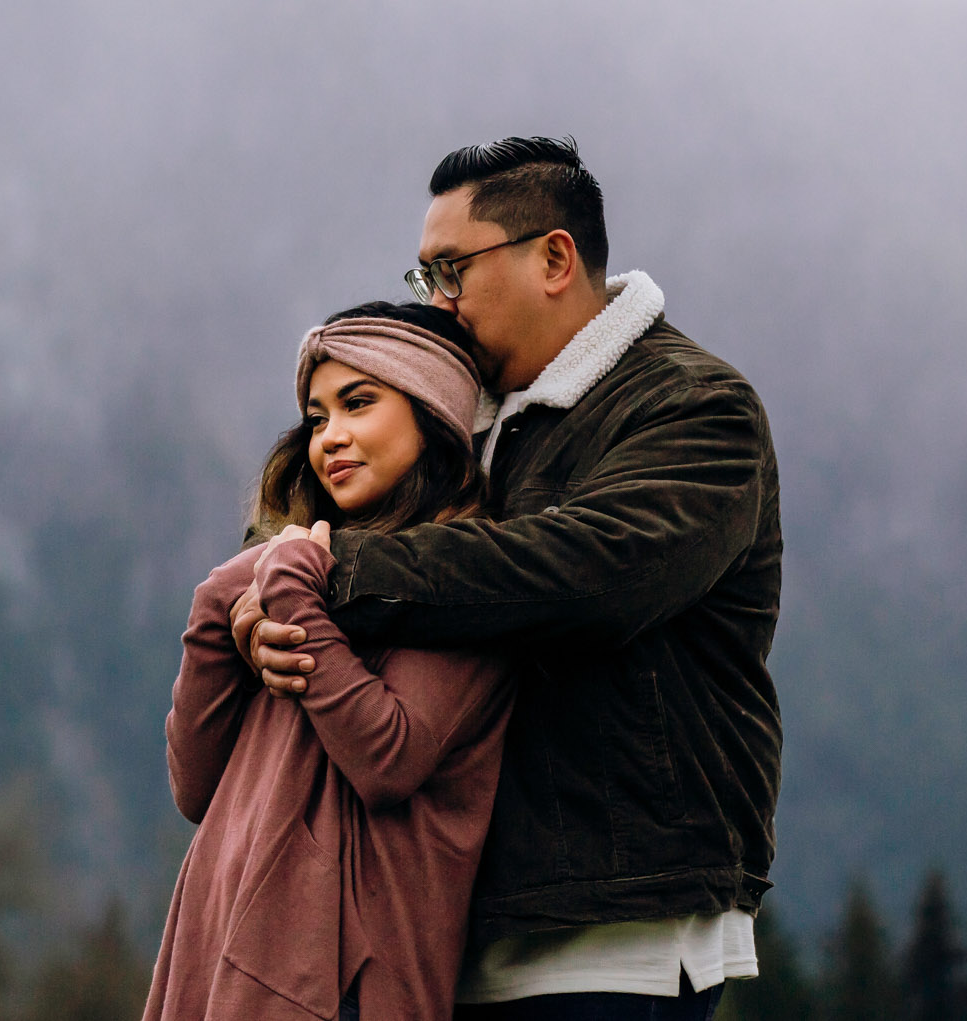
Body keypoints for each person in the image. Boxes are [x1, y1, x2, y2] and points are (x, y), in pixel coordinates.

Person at [239, 138, 783, 1020]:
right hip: (441, 927)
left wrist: (329, 568)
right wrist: (263, 619)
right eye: (425, 279)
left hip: (611, 932)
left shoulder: (695, 406)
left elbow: (585, 576)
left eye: (452, 270)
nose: (439, 305)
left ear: (555, 258)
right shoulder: (466, 420)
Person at [145, 302, 518, 1021]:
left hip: (340, 982)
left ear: (433, 411)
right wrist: (223, 602)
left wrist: (283, 587)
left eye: (358, 403)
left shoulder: (464, 576)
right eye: (316, 417)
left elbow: (389, 756)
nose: (330, 438)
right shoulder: (300, 579)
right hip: (218, 956)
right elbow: (195, 786)